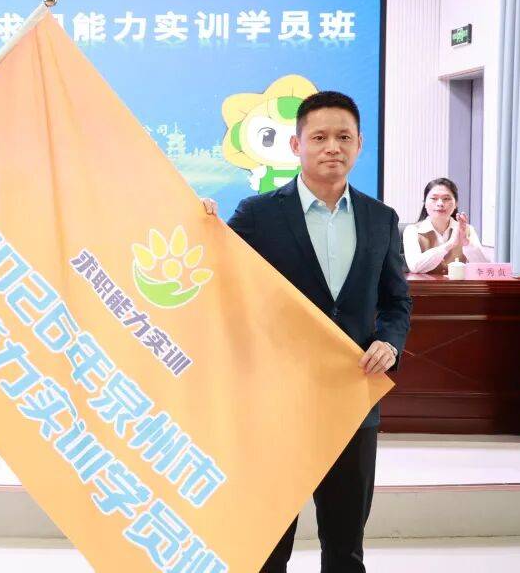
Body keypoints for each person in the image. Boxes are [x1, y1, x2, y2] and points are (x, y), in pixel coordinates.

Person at [203, 91, 411, 572]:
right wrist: (201, 226)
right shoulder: (258, 214)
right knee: (268, 544)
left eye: (343, 137)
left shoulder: (381, 219)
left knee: (345, 545)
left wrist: (390, 341)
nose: (332, 147)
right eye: (319, 137)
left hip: (352, 400)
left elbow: (397, 300)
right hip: (276, 399)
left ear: (359, 144)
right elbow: (216, 273)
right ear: (297, 145)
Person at [402, 177, 491, 274]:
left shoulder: (467, 230)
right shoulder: (412, 230)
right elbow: (415, 266)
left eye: (446, 199)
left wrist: (467, 244)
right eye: (434, 198)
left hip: (458, 284)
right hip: (423, 284)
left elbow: (485, 267)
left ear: (456, 204)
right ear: (425, 203)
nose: (440, 203)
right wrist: (449, 244)